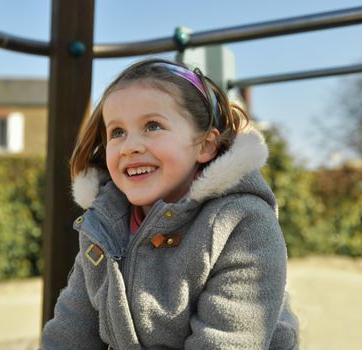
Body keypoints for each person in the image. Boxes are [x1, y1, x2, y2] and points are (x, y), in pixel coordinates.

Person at [40, 58, 299, 349]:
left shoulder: (242, 224)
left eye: (152, 126)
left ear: (205, 145)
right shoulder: (104, 226)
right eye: (117, 132)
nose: (130, 146)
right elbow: (70, 329)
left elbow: (226, 341)